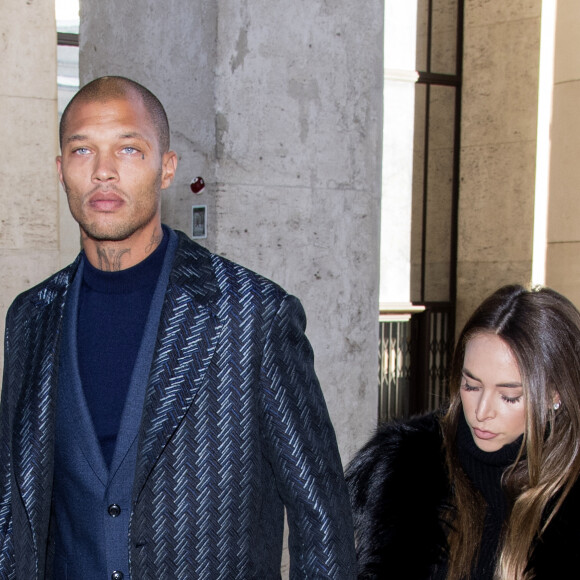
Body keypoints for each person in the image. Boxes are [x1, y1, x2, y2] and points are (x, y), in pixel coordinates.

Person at [0, 76, 356, 579]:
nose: (104, 172)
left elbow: (321, 521)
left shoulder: (255, 316)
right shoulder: (31, 317)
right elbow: (13, 509)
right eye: (83, 151)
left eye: (128, 148)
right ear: (61, 170)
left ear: (165, 168)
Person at [346, 284, 580, 580]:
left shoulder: (566, 491)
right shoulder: (404, 472)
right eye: (471, 386)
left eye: (509, 396)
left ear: (554, 395)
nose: (481, 412)